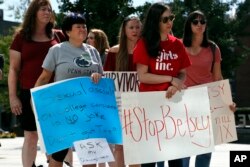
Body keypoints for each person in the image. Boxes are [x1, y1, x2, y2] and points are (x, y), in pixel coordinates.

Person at [34, 12, 103, 167]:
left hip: (88, 112)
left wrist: (98, 76)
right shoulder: (57, 50)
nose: (83, 29)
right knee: (58, 155)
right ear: (68, 31)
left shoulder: (93, 52)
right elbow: (44, 77)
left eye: (84, 26)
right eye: (78, 26)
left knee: (90, 155)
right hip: (63, 111)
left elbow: (101, 79)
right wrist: (37, 103)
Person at [133, 2, 191, 167]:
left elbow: (182, 72)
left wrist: (176, 84)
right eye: (165, 19)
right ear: (155, 21)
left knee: (175, 157)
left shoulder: (177, 44)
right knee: (150, 158)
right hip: (150, 106)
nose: (169, 22)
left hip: (173, 104)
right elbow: (142, 76)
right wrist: (170, 79)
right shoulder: (144, 43)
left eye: (171, 18)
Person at [8, 0, 65, 166]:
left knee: (57, 135)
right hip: (29, 93)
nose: (47, 12)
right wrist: (13, 97)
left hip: (56, 93)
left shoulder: (59, 35)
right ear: (33, 12)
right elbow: (13, 69)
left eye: (49, 9)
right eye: (43, 9)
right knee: (31, 135)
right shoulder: (21, 37)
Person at [181, 10, 236, 167]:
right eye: (195, 22)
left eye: (202, 22)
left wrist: (228, 102)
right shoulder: (179, 46)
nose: (199, 25)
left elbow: (218, 78)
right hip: (184, 104)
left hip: (208, 103)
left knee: (205, 150)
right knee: (184, 150)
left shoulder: (213, 48)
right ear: (189, 25)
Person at [104, 15, 142, 167]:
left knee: (135, 146)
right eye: (131, 27)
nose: (135, 30)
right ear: (124, 30)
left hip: (140, 105)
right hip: (118, 105)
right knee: (119, 146)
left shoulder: (146, 51)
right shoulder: (114, 51)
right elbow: (107, 79)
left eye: (138, 27)